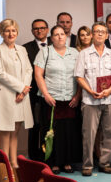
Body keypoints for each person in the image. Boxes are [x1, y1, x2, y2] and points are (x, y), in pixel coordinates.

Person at [75, 22, 111, 176]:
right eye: (97, 31)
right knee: (89, 134)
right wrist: (90, 91)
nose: (100, 34)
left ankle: (105, 163)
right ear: (92, 35)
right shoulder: (84, 54)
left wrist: (110, 89)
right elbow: (79, 76)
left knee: (110, 134)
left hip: (110, 100)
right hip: (90, 100)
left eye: (103, 32)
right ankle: (87, 165)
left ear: (107, 35)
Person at [34, 24, 80, 173]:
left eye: (62, 34)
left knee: (69, 131)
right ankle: (53, 162)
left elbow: (80, 76)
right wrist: (46, 94)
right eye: (56, 34)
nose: (60, 37)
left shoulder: (75, 53)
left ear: (66, 36)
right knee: (51, 131)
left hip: (70, 99)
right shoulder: (45, 52)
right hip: (51, 99)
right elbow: (38, 75)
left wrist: (78, 95)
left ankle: (67, 162)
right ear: (51, 38)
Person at [0, 19, 33, 167]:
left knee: (15, 130)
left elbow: (29, 70)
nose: (10, 33)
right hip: (5, 95)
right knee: (5, 130)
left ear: (17, 32)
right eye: (7, 31)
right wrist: (21, 87)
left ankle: (14, 163)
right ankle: (5, 164)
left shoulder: (22, 49)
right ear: (2, 33)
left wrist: (24, 90)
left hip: (21, 96)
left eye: (13, 30)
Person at [24, 18, 49, 161]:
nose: (39, 31)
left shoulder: (55, 45)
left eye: (42, 28)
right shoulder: (25, 48)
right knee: (34, 125)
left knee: (50, 124)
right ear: (32, 31)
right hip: (33, 93)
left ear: (47, 29)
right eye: (36, 28)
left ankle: (49, 155)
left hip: (53, 92)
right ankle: (33, 157)